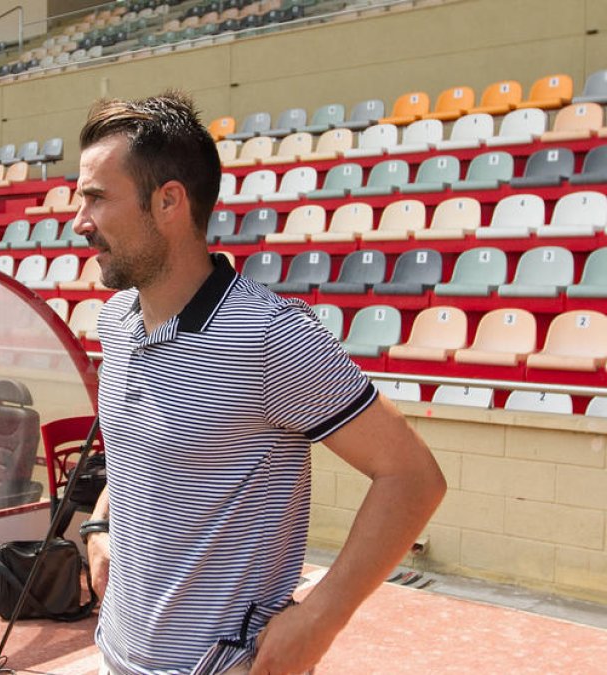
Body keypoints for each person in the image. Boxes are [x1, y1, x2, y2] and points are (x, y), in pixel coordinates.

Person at [71, 92, 447, 675]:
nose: (80, 221)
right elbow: (136, 458)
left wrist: (320, 619)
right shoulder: (115, 320)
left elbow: (414, 478)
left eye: (96, 197)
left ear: (169, 201)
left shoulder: (268, 336)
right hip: (116, 655)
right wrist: (101, 524)